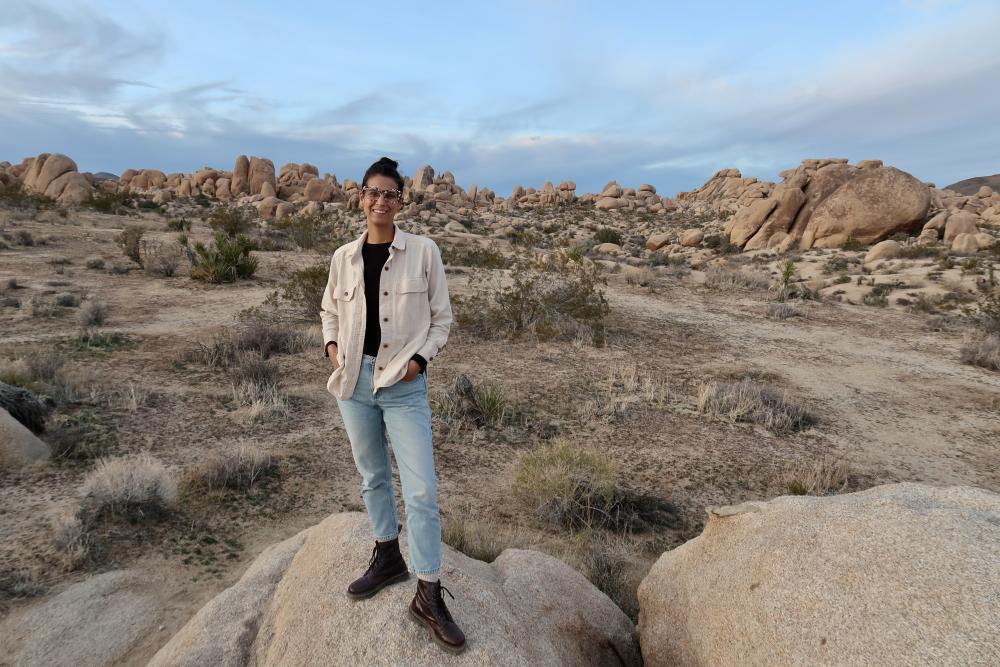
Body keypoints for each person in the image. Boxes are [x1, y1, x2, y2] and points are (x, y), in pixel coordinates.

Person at [320, 157, 465, 654]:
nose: (380, 200)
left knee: (421, 491)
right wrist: (333, 349)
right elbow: (328, 312)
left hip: (403, 385)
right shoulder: (344, 257)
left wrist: (418, 363)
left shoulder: (424, 252)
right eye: (372, 192)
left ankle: (427, 591)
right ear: (360, 197)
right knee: (372, 476)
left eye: (390, 194)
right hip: (354, 382)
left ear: (402, 201)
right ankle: (387, 556)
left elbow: (442, 320)